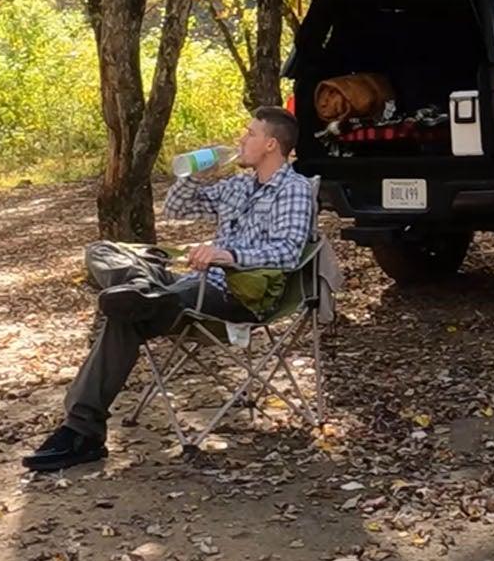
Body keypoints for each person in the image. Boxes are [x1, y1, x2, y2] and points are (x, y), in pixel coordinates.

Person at [24, 106, 317, 473]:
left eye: (250, 133)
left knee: (127, 314)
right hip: (192, 286)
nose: (241, 138)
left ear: (271, 144)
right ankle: (142, 288)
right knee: (102, 252)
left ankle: (80, 433)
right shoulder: (239, 185)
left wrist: (227, 254)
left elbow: (287, 252)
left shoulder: (294, 189)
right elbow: (177, 209)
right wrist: (194, 171)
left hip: (236, 296)